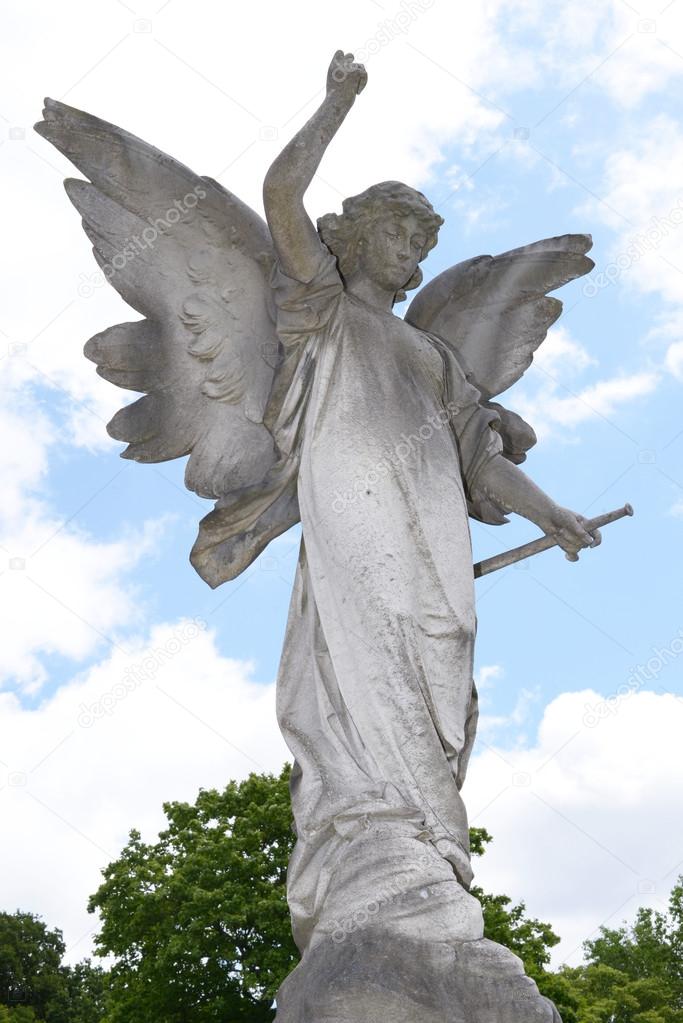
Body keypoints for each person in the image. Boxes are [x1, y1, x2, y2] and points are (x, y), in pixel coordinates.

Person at [262, 50, 599, 954]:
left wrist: (547, 510)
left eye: (421, 242)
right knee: (361, 657)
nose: (412, 253)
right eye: (399, 234)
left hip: (431, 525)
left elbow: (476, 460)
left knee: (437, 658)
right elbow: (280, 196)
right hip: (353, 506)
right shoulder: (321, 310)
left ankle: (426, 847)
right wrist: (335, 104)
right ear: (357, 233)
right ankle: (374, 849)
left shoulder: (433, 358)